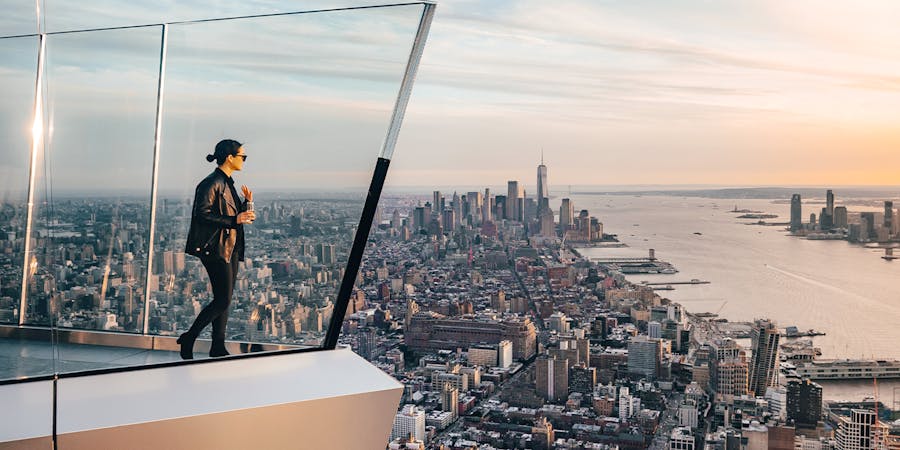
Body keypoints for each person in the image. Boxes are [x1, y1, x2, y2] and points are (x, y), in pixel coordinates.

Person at [178, 139, 255, 359]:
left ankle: (217, 346)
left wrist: (247, 205)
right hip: (216, 247)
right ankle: (190, 337)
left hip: (229, 247)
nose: (244, 160)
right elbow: (202, 213)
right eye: (242, 156)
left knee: (225, 299)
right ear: (230, 158)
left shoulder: (227, 181)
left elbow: (231, 214)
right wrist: (235, 220)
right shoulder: (211, 183)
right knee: (222, 300)